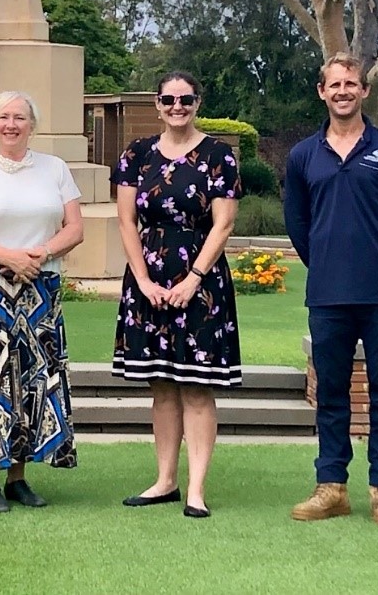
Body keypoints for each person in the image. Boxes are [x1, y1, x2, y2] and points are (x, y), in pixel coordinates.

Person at [284, 53, 378, 526]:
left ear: (365, 91)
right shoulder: (304, 155)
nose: (343, 91)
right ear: (321, 92)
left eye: (351, 83)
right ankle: (332, 487)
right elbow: (298, 224)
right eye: (334, 84)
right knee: (332, 394)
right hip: (327, 296)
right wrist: (326, 262)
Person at [112, 71, 242, 519]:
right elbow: (127, 221)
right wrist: (143, 279)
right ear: (157, 103)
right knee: (162, 385)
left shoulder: (219, 155)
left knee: (197, 387)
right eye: (169, 100)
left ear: (197, 102)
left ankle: (197, 490)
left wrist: (193, 278)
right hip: (147, 276)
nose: (177, 107)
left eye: (185, 99)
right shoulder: (137, 155)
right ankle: (165, 480)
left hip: (200, 281)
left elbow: (223, 223)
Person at [0, 91, 85, 512]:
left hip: (41, 293)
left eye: (20, 118)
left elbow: (74, 227)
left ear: (32, 125)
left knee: (32, 381)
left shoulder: (56, 169)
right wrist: (8, 257)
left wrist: (39, 255)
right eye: (4, 117)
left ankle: (18, 476)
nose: (12, 124)